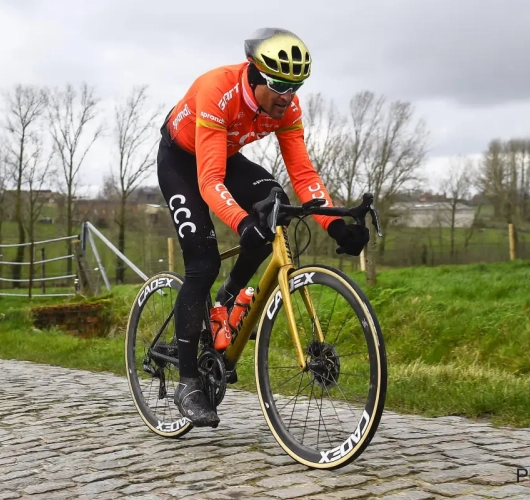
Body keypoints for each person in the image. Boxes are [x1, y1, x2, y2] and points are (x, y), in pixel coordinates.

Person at [156, 27, 370, 427]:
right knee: (202, 264)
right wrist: (239, 222)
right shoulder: (217, 90)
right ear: (253, 75)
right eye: (278, 86)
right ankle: (187, 382)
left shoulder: (288, 109)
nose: (287, 98)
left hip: (225, 153)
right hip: (182, 162)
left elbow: (303, 175)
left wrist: (335, 226)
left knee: (274, 205)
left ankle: (229, 299)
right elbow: (209, 181)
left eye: (296, 86)